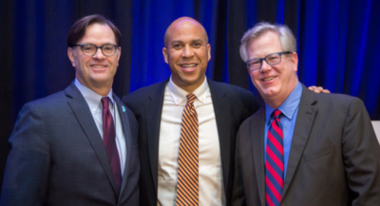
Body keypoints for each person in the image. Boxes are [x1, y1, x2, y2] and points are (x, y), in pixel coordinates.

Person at [123, 17, 326, 206]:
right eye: (178, 46)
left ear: (208, 51)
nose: (187, 53)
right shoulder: (137, 106)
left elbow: (278, 117)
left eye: (196, 44)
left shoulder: (241, 103)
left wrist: (309, 97)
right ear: (166, 55)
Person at [232, 22, 380, 206]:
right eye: (255, 62)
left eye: (273, 58)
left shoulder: (344, 113)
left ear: (293, 61)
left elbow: (371, 195)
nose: (264, 68)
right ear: (249, 71)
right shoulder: (246, 131)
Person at [0, 14, 139, 205]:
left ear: (118, 55)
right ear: (72, 55)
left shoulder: (129, 117)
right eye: (88, 48)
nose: (99, 56)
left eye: (108, 48)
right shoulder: (41, 117)